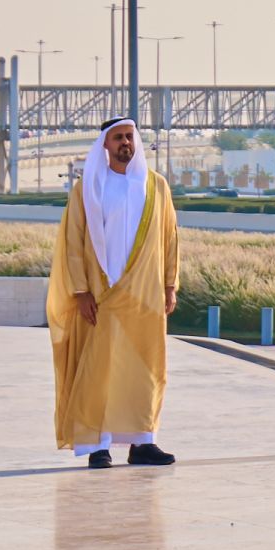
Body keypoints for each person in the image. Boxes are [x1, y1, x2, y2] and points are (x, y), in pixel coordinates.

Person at [49, 116, 181, 466]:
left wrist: (170, 285)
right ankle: (98, 445)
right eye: (118, 138)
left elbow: (169, 239)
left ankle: (143, 442)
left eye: (130, 137)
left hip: (146, 295)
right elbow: (73, 243)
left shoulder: (156, 186)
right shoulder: (89, 187)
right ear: (104, 145)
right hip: (101, 295)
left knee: (146, 370)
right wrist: (80, 291)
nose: (126, 143)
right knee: (100, 372)